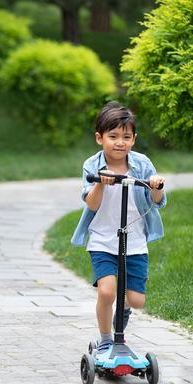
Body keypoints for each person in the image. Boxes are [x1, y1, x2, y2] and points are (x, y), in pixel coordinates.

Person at [71, 101, 166, 355]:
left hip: (134, 241)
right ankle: (105, 339)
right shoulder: (92, 165)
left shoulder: (142, 164)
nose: (120, 142)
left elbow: (157, 202)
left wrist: (157, 186)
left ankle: (124, 307)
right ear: (99, 138)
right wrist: (101, 182)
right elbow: (90, 203)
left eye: (126, 137)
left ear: (134, 139)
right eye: (113, 137)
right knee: (106, 291)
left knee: (136, 300)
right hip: (103, 239)